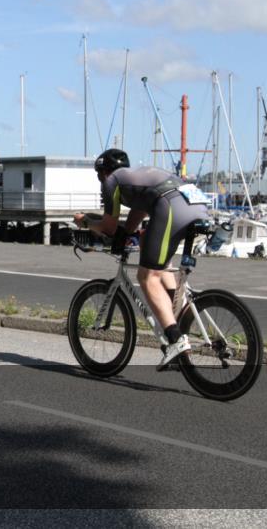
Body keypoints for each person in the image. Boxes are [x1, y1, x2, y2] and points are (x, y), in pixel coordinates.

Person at [74, 149, 210, 369]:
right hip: (197, 205)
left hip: (172, 206)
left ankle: (175, 339)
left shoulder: (112, 181)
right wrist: (125, 235)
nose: (100, 180)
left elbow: (108, 227)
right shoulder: (136, 177)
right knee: (154, 253)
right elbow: (136, 217)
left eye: (99, 175)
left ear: (104, 172)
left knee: (147, 277)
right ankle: (177, 315)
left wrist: (85, 221)